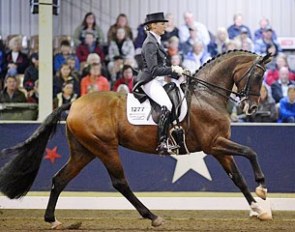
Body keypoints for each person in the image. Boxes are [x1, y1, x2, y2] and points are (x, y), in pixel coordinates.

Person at [135, 12, 185, 154]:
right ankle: (162, 142)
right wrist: (172, 69)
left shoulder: (156, 41)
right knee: (167, 104)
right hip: (149, 80)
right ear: (153, 25)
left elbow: (162, 66)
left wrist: (178, 72)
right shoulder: (150, 43)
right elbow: (154, 69)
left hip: (158, 80)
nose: (165, 26)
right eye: (162, 23)